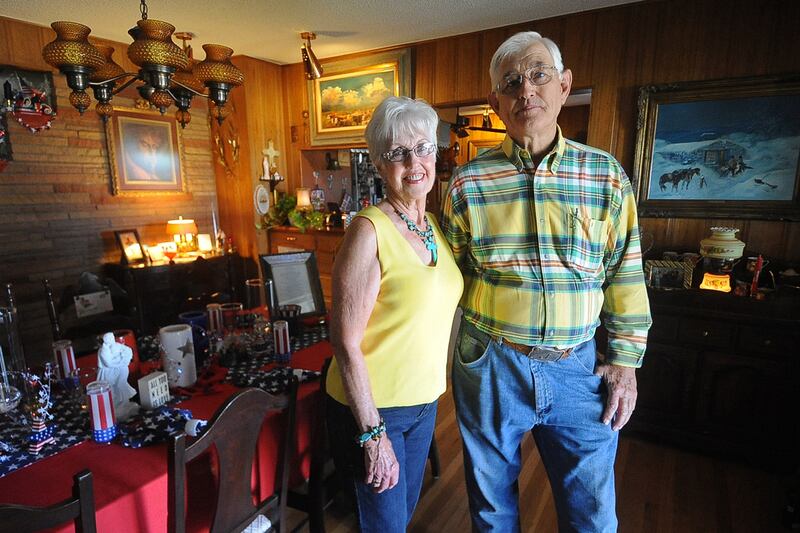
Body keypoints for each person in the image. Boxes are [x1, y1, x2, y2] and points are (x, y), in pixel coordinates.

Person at [440, 31, 652, 532]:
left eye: (539, 75)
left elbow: (625, 270)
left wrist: (625, 362)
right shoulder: (467, 183)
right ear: (495, 102)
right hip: (491, 363)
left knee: (592, 514)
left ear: (565, 85)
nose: (526, 90)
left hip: (578, 367)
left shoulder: (604, 175)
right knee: (491, 509)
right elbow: (449, 278)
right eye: (511, 83)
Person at [325, 96, 463, 532]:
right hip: (374, 409)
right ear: (379, 165)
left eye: (422, 148)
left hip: (423, 404)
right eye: (398, 152)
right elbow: (345, 341)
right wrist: (372, 434)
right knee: (384, 525)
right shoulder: (368, 231)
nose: (413, 162)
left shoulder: (434, 226)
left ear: (435, 154)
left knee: (399, 517)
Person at [97, 331, 139, 421]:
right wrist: (120, 361)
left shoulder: (117, 346)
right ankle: (113, 406)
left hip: (119, 370)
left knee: (121, 385)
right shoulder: (103, 350)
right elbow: (108, 363)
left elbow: (128, 350)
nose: (110, 340)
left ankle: (124, 403)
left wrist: (124, 359)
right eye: (108, 339)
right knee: (110, 388)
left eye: (111, 338)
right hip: (108, 373)